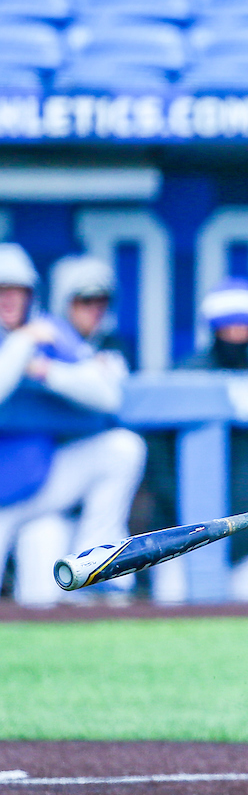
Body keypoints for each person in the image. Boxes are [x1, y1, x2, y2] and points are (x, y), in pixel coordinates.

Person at [0, 249, 145, 605]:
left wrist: (47, 370)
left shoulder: (47, 333)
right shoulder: (27, 339)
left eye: (17, 290)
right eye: (1, 291)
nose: (9, 300)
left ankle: (96, 558)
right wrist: (22, 346)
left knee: (122, 448)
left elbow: (107, 396)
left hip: (32, 484)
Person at [145, 278, 248, 602]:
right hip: (181, 534)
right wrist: (175, 509)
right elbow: (157, 456)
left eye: (244, 326)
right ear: (214, 327)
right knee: (170, 625)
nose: (237, 334)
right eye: (228, 326)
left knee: (243, 625)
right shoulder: (182, 376)